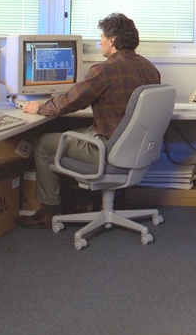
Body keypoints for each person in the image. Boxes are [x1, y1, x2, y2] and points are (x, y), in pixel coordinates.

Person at [17, 12, 161, 229]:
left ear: (112, 40)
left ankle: (50, 211)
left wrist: (39, 107)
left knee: (44, 143)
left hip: (107, 150)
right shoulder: (150, 68)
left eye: (102, 37)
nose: (100, 41)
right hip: (135, 150)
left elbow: (70, 101)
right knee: (76, 129)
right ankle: (85, 201)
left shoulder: (105, 70)